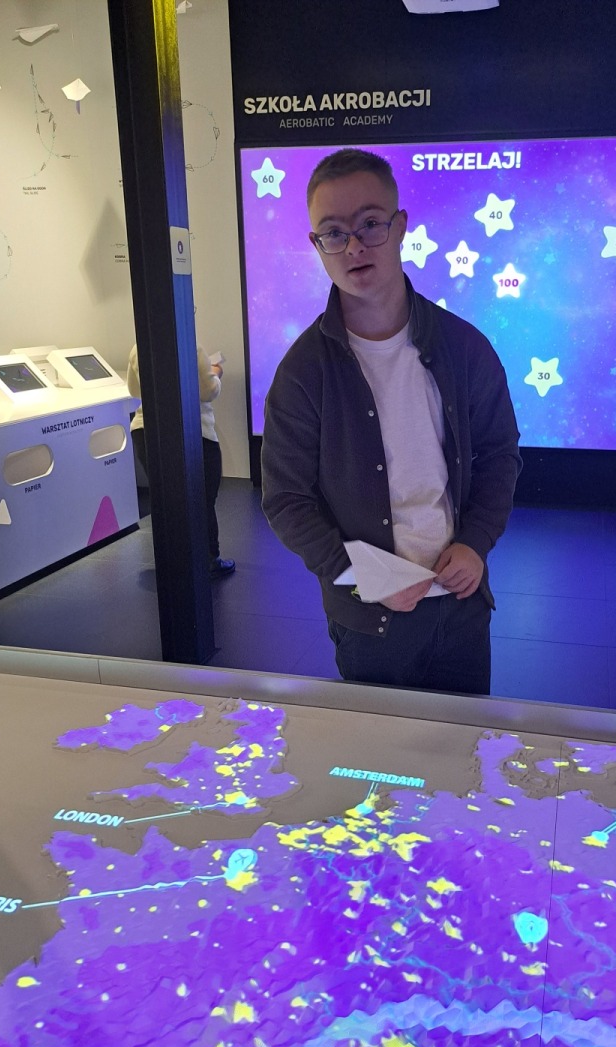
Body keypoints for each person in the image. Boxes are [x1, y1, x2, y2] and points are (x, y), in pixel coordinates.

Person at [261, 147, 520, 694]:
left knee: (463, 744)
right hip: (370, 619)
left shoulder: (464, 347)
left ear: (400, 227)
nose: (354, 246)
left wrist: (475, 541)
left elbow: (500, 453)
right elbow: (285, 499)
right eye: (333, 232)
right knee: (378, 749)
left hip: (462, 604)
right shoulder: (303, 371)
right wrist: (362, 575)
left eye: (370, 224)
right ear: (317, 245)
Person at [127, 343, 235, 579]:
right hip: (193, 431)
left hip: (146, 430)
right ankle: (209, 559)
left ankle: (173, 560)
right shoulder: (191, 347)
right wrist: (216, 372)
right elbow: (208, 391)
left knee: (167, 500)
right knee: (203, 498)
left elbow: (134, 390)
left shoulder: (139, 347)